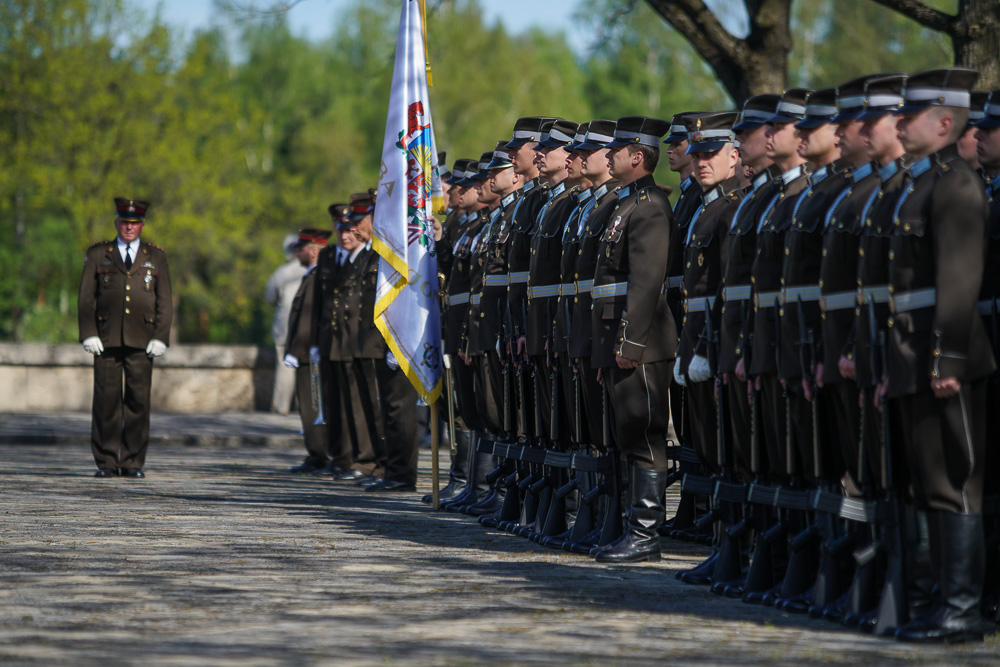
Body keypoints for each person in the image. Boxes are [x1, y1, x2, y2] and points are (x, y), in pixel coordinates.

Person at [590, 115, 676, 563]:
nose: (609, 156)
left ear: (637, 157)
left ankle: (646, 534)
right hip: (617, 338)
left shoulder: (651, 207)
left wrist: (629, 344)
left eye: (617, 151)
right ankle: (631, 527)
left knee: (643, 435)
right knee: (626, 435)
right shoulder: (626, 204)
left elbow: (645, 284)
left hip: (638, 343)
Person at [78, 198, 172, 478]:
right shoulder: (98, 254)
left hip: (142, 341)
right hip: (106, 339)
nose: (129, 227)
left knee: (138, 402)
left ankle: (132, 461)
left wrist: (161, 336)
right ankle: (106, 461)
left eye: (134, 223)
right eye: (124, 222)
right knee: (106, 402)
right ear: (116, 223)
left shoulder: (156, 256)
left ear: (141, 225)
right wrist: (88, 333)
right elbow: (85, 299)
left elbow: (164, 301)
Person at [282, 228, 333, 472]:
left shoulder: (316, 276)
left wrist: (297, 348)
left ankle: (319, 455)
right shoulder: (311, 275)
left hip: (308, 353)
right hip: (305, 352)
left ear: (314, 251)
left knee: (312, 406)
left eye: (300, 249)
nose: (296, 253)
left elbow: (308, 318)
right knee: (308, 406)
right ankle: (315, 453)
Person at [265, 234, 307, 415]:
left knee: (284, 368)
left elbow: (270, 298)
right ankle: (303, 405)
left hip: (284, 326)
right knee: (306, 365)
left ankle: (281, 406)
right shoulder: (311, 270)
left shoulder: (281, 273)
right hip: (307, 326)